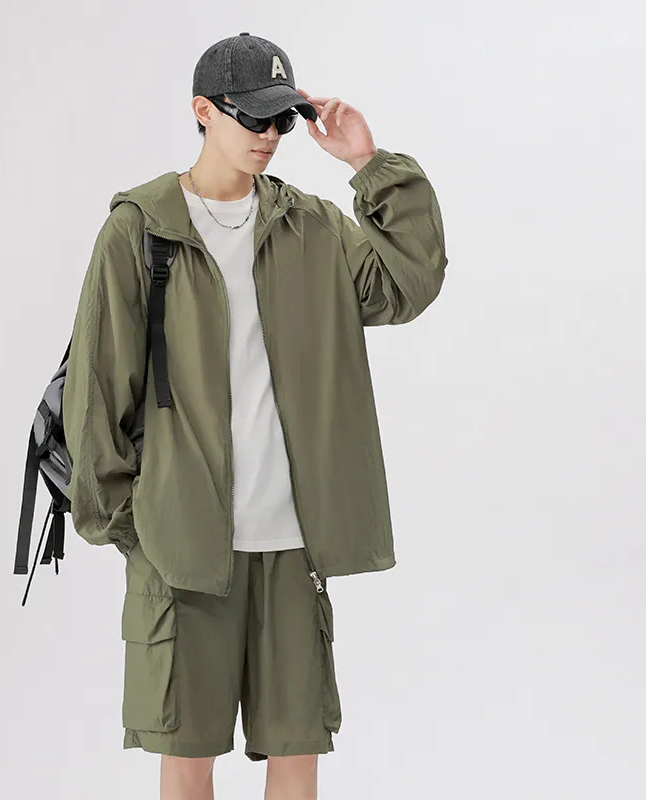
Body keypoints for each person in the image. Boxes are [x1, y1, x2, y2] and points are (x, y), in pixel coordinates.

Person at [62, 31, 447, 800]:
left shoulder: (311, 226)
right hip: (182, 549)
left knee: (297, 754)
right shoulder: (141, 228)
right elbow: (97, 392)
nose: (270, 135)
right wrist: (136, 527)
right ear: (203, 111)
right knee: (187, 757)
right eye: (253, 117)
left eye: (281, 119)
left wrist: (369, 166)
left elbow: (407, 283)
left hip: (292, 543)